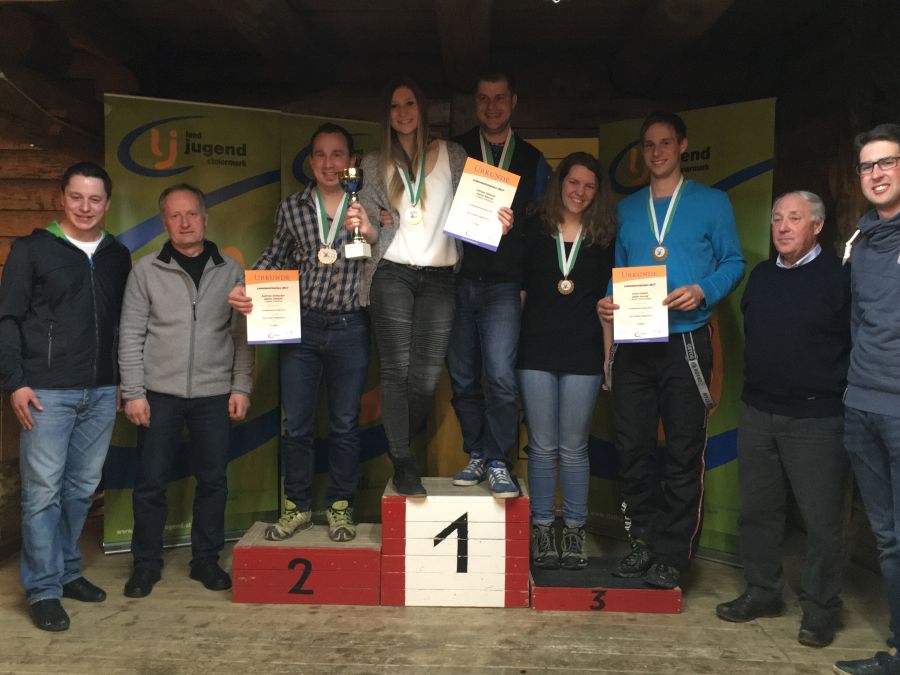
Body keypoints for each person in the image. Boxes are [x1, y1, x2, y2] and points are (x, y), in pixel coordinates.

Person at [597, 111, 745, 589]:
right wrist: (607, 302)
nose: (656, 152)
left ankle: (672, 555)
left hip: (686, 340)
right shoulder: (627, 209)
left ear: (682, 146)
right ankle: (641, 542)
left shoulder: (712, 202)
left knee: (683, 451)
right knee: (633, 449)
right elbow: (620, 272)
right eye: (648, 145)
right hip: (634, 342)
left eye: (665, 143)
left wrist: (703, 290)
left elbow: (734, 262)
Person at [356, 77, 511, 497]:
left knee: (425, 378)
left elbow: (474, 212)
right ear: (387, 115)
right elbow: (370, 229)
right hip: (392, 272)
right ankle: (404, 460)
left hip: (441, 278)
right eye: (394, 106)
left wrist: (496, 221)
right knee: (396, 369)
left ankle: (398, 446)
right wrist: (368, 226)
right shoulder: (374, 163)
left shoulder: (453, 155)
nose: (402, 113)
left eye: (409, 103)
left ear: (422, 108)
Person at [714, 191, 849, 648]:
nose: (783, 227)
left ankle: (821, 609)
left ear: (818, 225)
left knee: (820, 521)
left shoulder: (838, 278)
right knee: (758, 512)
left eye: (795, 218)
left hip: (816, 419)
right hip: (758, 413)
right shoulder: (761, 276)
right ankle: (763, 591)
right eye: (777, 219)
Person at [0, 162, 131, 631]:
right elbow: (8, 318)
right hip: (45, 393)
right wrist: (15, 382)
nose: (85, 207)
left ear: (107, 204)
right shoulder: (32, 249)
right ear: (61, 198)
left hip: (102, 390)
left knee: (80, 490)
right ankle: (42, 589)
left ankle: (67, 571)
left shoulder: (117, 255)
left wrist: (121, 380)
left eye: (95, 199)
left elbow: (123, 323)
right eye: (77, 197)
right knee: (42, 493)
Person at [228, 123, 375, 543]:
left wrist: (373, 228)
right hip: (302, 326)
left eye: (338, 154)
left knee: (345, 423)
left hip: (351, 326)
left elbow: (384, 255)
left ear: (351, 161)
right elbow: (275, 256)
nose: (329, 163)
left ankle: (341, 505)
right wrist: (245, 285)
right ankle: (297, 506)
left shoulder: (366, 206)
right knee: (297, 424)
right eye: (321, 155)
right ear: (310, 162)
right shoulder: (291, 208)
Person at [118, 183, 253, 598]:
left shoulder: (231, 270)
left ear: (205, 218)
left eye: (191, 214)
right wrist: (134, 392)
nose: (184, 222)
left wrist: (241, 386)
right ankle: (146, 564)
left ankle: (206, 560)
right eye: (175, 216)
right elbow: (130, 334)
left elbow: (243, 335)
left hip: (214, 393)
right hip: (158, 394)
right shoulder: (145, 271)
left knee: (213, 481)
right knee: (150, 484)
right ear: (164, 222)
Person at [448, 69, 550, 498]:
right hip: (458, 280)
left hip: (506, 285)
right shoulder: (455, 151)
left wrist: (526, 280)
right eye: (484, 98)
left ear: (514, 102)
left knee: (502, 379)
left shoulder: (532, 159)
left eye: (500, 98)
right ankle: (477, 452)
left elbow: (543, 228)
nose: (492, 107)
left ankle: (498, 460)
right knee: (462, 377)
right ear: (475, 103)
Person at [519, 152, 616, 570]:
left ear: (598, 192)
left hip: (584, 353)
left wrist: (609, 358)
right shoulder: (534, 228)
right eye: (573, 182)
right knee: (542, 447)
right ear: (559, 183)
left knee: (574, 448)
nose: (580, 192)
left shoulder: (604, 236)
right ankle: (542, 528)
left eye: (589, 186)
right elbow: (520, 294)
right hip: (535, 351)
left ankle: (574, 531)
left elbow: (609, 305)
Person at [833, 123, 900, 675]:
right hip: (863, 406)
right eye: (867, 166)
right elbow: (858, 322)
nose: (876, 174)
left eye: (887, 162)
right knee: (888, 539)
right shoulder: (861, 241)